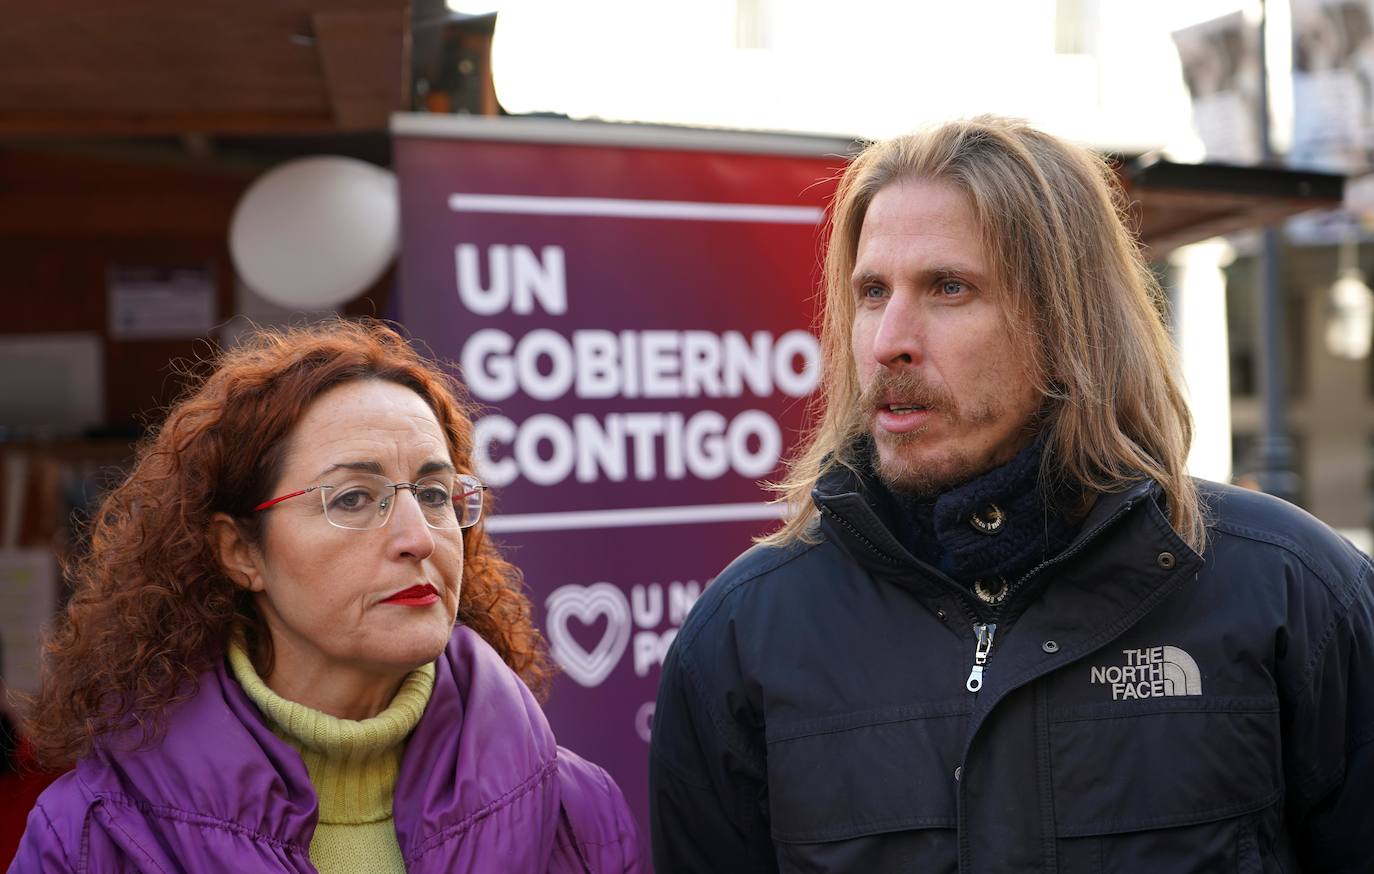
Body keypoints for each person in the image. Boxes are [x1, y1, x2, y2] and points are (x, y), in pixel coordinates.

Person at [649, 117, 1374, 872]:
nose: (889, 338)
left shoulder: (1295, 595)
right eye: (871, 292)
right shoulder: (743, 637)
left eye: (948, 287)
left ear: (1069, 323)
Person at [12, 319, 641, 872]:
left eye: (433, 494)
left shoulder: (574, 809)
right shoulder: (97, 837)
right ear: (240, 551)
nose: (417, 539)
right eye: (351, 498)